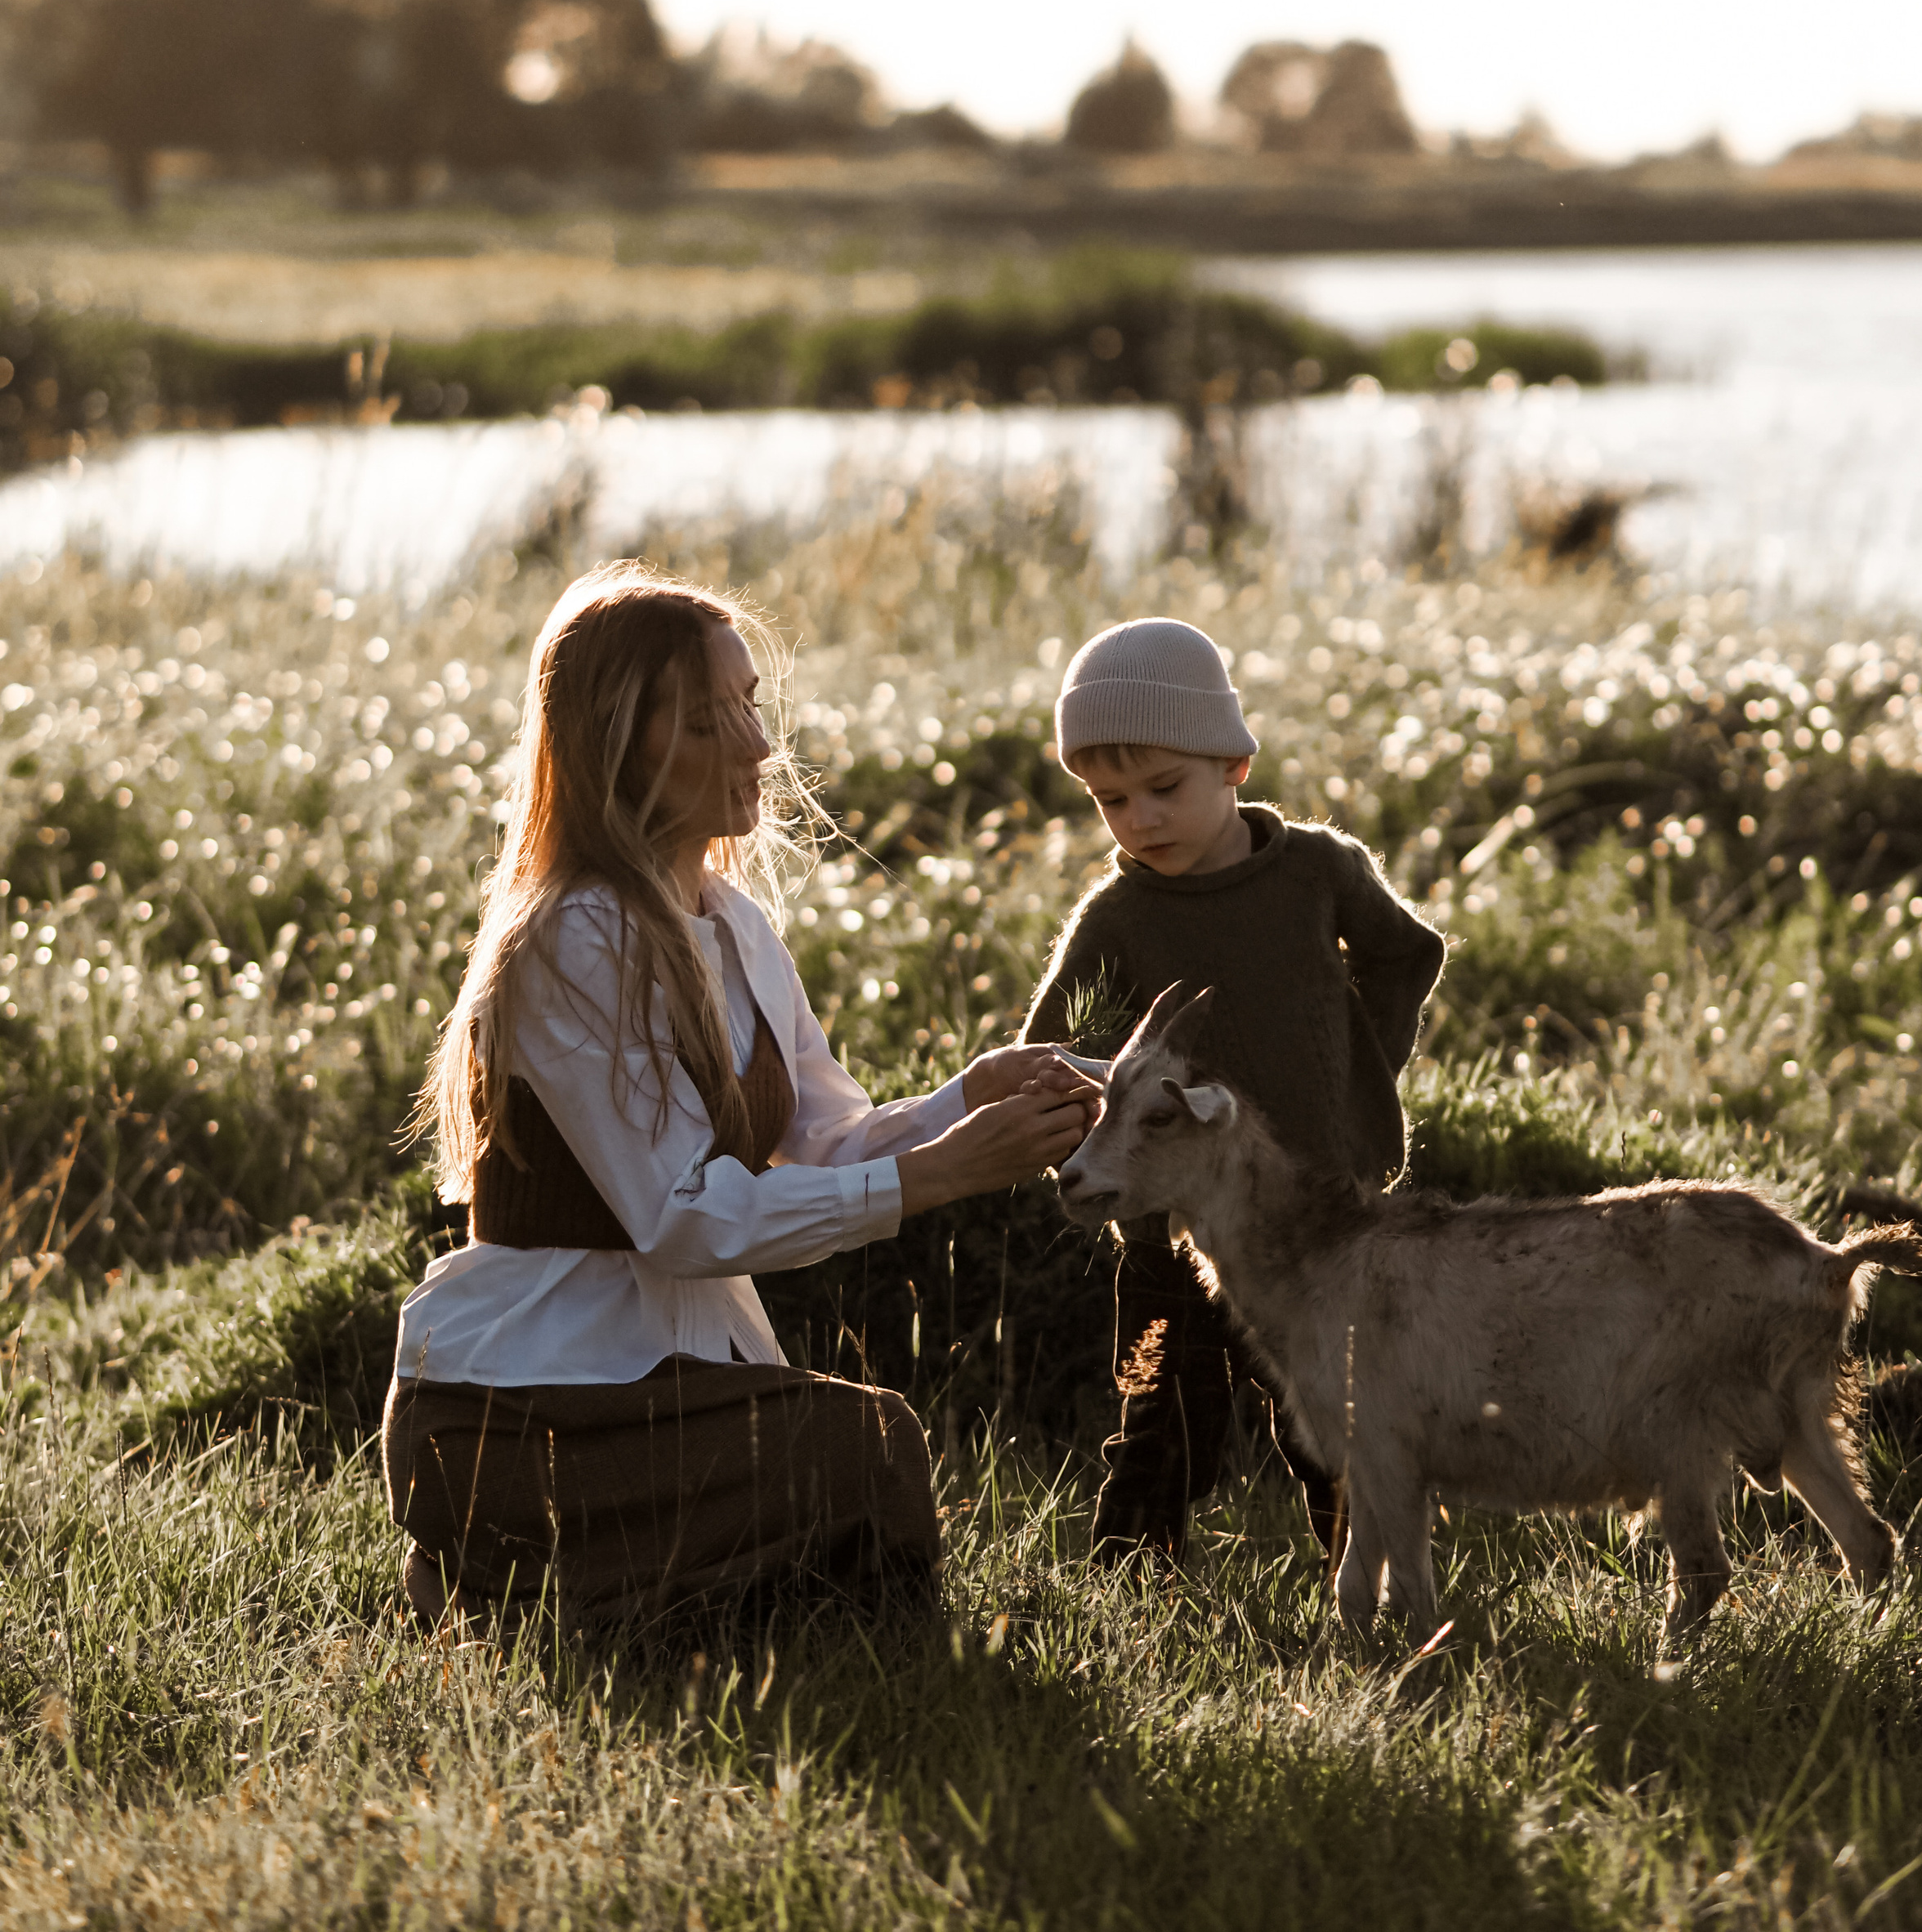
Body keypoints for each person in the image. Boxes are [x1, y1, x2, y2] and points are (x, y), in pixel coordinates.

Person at [384, 561, 1097, 1632]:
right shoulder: (573, 938)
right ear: (624, 745)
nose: (760, 747)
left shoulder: (732, 927)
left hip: (671, 1383)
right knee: (871, 1455)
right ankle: (512, 1580)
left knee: (864, 1480)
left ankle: (594, 1606)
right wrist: (938, 1174)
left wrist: (965, 1099)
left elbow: (825, 1137)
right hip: (517, 1409)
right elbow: (682, 1219)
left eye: (751, 707)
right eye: (711, 719)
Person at [1021, 617, 1445, 1563]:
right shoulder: (1120, 917)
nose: (1139, 819)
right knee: (1163, 1413)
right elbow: (1049, 1052)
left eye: (1164, 788)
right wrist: (1117, 1125)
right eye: (1110, 799)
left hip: (1320, 1221)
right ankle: (1131, 1589)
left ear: (1233, 762)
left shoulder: (1317, 874)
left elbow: (1407, 953)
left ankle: (1366, 1591)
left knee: (1335, 1418)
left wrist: (1357, 1076)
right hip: (1170, 1232)